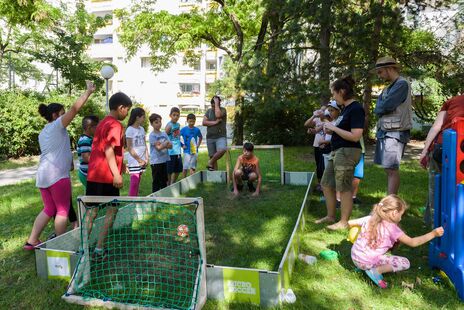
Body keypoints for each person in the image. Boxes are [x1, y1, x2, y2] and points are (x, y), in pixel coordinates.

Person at [24, 81, 96, 250]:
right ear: (56, 115)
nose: (66, 117)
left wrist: (69, 162)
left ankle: (32, 240)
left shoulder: (44, 132)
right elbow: (74, 109)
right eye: (63, 114)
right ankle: (61, 245)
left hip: (43, 175)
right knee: (62, 210)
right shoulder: (57, 125)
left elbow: (56, 149)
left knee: (49, 209)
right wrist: (88, 92)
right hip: (57, 176)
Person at [349, 195, 444, 288]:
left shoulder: (369, 219)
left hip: (355, 257)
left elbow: (350, 223)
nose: (401, 218)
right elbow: (413, 242)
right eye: (401, 215)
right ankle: (376, 271)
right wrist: (433, 234)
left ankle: (363, 267)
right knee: (405, 263)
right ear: (394, 213)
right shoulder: (393, 229)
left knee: (374, 254)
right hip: (367, 262)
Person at [86, 92, 132, 260]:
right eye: (127, 109)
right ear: (121, 108)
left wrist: (122, 165)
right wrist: (116, 175)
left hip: (94, 174)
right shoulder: (116, 125)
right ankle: (99, 249)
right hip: (106, 177)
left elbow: (104, 147)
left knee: (92, 212)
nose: (127, 113)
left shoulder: (103, 122)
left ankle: (82, 248)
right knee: (112, 210)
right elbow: (108, 149)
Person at [316, 76, 365, 230]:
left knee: (343, 188)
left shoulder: (356, 108)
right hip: (337, 151)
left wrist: (334, 127)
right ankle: (330, 216)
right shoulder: (345, 109)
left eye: (334, 94)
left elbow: (356, 136)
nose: (333, 97)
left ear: (342, 91)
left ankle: (343, 222)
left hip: (348, 152)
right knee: (326, 183)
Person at [419, 95, 464, 225]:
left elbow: (436, 127)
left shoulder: (453, 101)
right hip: (458, 151)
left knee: (436, 186)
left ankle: (435, 223)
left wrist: (425, 151)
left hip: (442, 148)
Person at [373, 56, 412, 195]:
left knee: (391, 169)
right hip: (387, 131)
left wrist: (380, 108)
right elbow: (379, 107)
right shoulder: (388, 88)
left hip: (396, 132)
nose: (379, 75)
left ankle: (390, 204)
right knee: (388, 168)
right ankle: (390, 201)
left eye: (380, 72)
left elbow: (386, 106)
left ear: (390, 69)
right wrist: (380, 108)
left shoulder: (402, 84)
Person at [125, 107, 148, 196]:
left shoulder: (142, 129)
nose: (144, 119)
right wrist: (139, 160)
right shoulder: (130, 130)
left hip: (142, 160)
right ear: (137, 117)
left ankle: (135, 198)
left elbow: (145, 144)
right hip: (135, 161)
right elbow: (130, 148)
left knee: (138, 181)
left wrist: (146, 158)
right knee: (134, 182)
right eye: (143, 117)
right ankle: (131, 201)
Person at [304, 104, 327, 192]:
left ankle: (324, 184)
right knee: (318, 165)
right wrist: (314, 115)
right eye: (320, 110)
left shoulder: (327, 121)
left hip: (325, 146)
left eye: (323, 110)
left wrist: (313, 130)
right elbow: (306, 124)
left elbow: (317, 130)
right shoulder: (317, 119)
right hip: (317, 145)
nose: (321, 112)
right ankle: (319, 183)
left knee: (323, 165)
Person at [149, 113, 172, 193]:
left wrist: (163, 145)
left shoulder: (164, 133)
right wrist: (165, 144)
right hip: (156, 162)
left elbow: (170, 146)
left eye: (160, 122)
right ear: (151, 124)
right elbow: (158, 148)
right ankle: (154, 198)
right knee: (156, 181)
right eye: (156, 122)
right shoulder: (152, 135)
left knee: (164, 181)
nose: (159, 124)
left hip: (164, 160)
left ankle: (163, 197)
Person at [203, 95, 227, 171]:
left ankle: (210, 162)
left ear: (219, 104)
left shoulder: (223, 110)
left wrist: (217, 104)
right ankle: (215, 177)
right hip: (210, 137)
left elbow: (218, 115)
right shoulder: (209, 111)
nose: (214, 108)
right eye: (213, 106)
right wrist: (215, 122)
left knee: (222, 149)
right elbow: (204, 122)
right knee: (212, 157)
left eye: (216, 105)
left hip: (221, 136)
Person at [77, 115, 99, 188]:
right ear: (89, 127)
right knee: (92, 196)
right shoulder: (85, 140)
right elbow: (86, 157)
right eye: (97, 127)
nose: (98, 129)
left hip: (89, 173)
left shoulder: (89, 139)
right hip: (86, 174)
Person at [180, 113, 203, 178]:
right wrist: (182, 145)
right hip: (186, 151)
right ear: (187, 121)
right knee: (185, 166)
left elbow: (200, 137)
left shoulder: (197, 130)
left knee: (193, 167)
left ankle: (192, 180)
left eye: (193, 121)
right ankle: (184, 179)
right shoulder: (184, 129)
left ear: (195, 121)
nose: (192, 123)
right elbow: (176, 137)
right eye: (190, 121)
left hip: (194, 151)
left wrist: (198, 145)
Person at [165, 107, 182, 185]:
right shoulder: (169, 125)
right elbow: (164, 136)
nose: (176, 117)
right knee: (169, 170)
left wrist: (182, 145)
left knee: (178, 169)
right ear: (170, 115)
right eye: (174, 115)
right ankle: (168, 184)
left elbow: (178, 137)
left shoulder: (178, 125)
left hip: (178, 151)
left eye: (177, 115)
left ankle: (173, 183)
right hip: (171, 152)